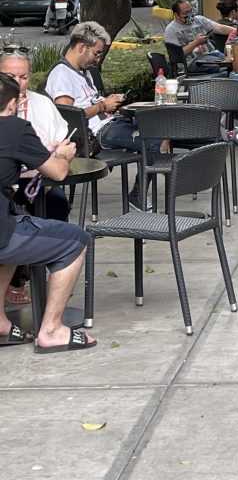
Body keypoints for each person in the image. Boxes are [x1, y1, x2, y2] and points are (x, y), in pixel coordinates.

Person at [0, 71, 97, 352]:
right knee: (76, 240)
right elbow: (57, 172)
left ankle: (1, 323)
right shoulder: (15, 127)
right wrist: (63, 155)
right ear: (12, 105)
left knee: (15, 226)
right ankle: (52, 331)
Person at [45, 21, 161, 210]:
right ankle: (138, 194)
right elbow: (67, 117)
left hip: (108, 124)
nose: (98, 59)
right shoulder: (61, 75)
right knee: (153, 139)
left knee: (157, 128)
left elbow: (88, 103)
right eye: (96, 53)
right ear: (81, 47)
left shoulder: (83, 72)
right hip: (93, 134)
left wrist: (109, 104)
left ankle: (140, 191)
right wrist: (102, 106)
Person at [2, 47, 69, 307]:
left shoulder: (42, 104)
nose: (18, 84)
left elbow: (60, 142)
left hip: (39, 179)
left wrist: (59, 154)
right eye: (10, 77)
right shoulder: (10, 118)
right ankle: (16, 279)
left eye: (24, 77)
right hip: (8, 185)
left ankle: (52, 275)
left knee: (57, 204)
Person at [163, 0, 234, 74]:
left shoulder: (199, 20)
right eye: (186, 13)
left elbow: (220, 28)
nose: (190, 15)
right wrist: (196, 42)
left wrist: (237, 31)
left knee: (232, 60)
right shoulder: (171, 30)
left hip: (212, 53)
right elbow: (176, 55)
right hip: (192, 61)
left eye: (191, 11)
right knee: (220, 64)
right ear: (177, 15)